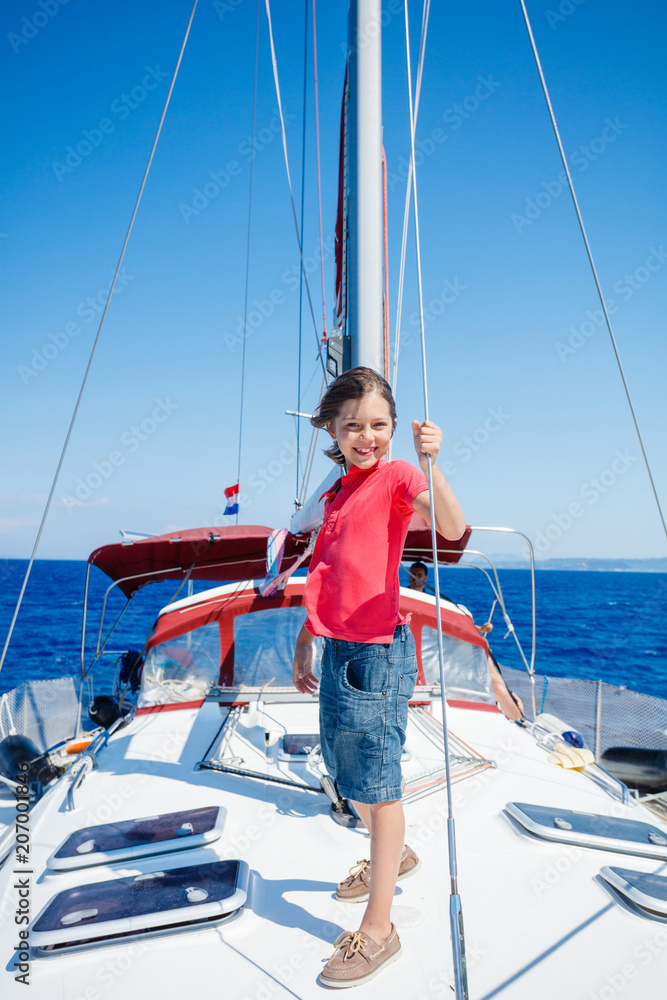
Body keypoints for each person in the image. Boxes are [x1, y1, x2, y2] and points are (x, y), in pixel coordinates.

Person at [292, 367, 466, 988]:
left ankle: (378, 929)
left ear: (394, 429)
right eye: (354, 426)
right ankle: (397, 856)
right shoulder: (338, 492)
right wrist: (305, 640)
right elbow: (329, 573)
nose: (367, 436)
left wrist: (433, 462)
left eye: (379, 425)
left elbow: (448, 526)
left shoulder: (397, 475)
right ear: (332, 431)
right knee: (345, 773)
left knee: (378, 781)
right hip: (338, 648)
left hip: (375, 654)